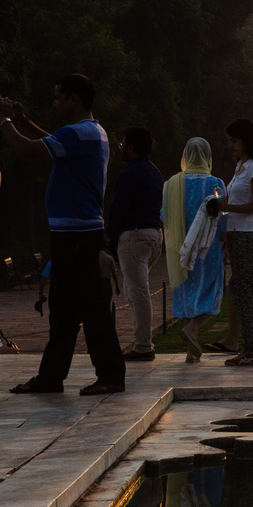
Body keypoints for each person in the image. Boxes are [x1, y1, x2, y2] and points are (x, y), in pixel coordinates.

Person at [0, 75, 123, 396]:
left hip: (78, 234)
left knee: (90, 307)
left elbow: (26, 151)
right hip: (77, 233)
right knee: (66, 308)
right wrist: (24, 121)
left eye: (58, 98)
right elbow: (55, 144)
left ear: (74, 100)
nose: (54, 103)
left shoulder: (80, 134)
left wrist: (6, 121)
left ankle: (108, 375)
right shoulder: (89, 132)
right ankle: (53, 377)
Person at [209, 119, 253, 366]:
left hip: (248, 235)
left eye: (234, 141)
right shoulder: (242, 168)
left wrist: (227, 206)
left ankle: (252, 348)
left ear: (247, 141)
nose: (230, 146)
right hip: (238, 234)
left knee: (243, 293)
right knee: (246, 292)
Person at [163, 138, 225, 363]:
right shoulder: (216, 183)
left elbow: (164, 216)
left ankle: (191, 350)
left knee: (187, 294)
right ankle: (193, 330)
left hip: (181, 248)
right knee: (214, 292)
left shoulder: (172, 184)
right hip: (207, 250)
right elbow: (222, 215)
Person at [106, 127, 164, 362]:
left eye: (123, 144)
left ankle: (143, 346)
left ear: (131, 147)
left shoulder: (130, 174)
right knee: (135, 289)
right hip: (153, 236)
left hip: (135, 236)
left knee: (139, 293)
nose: (121, 147)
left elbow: (119, 208)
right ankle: (142, 343)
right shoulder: (154, 172)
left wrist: (111, 237)